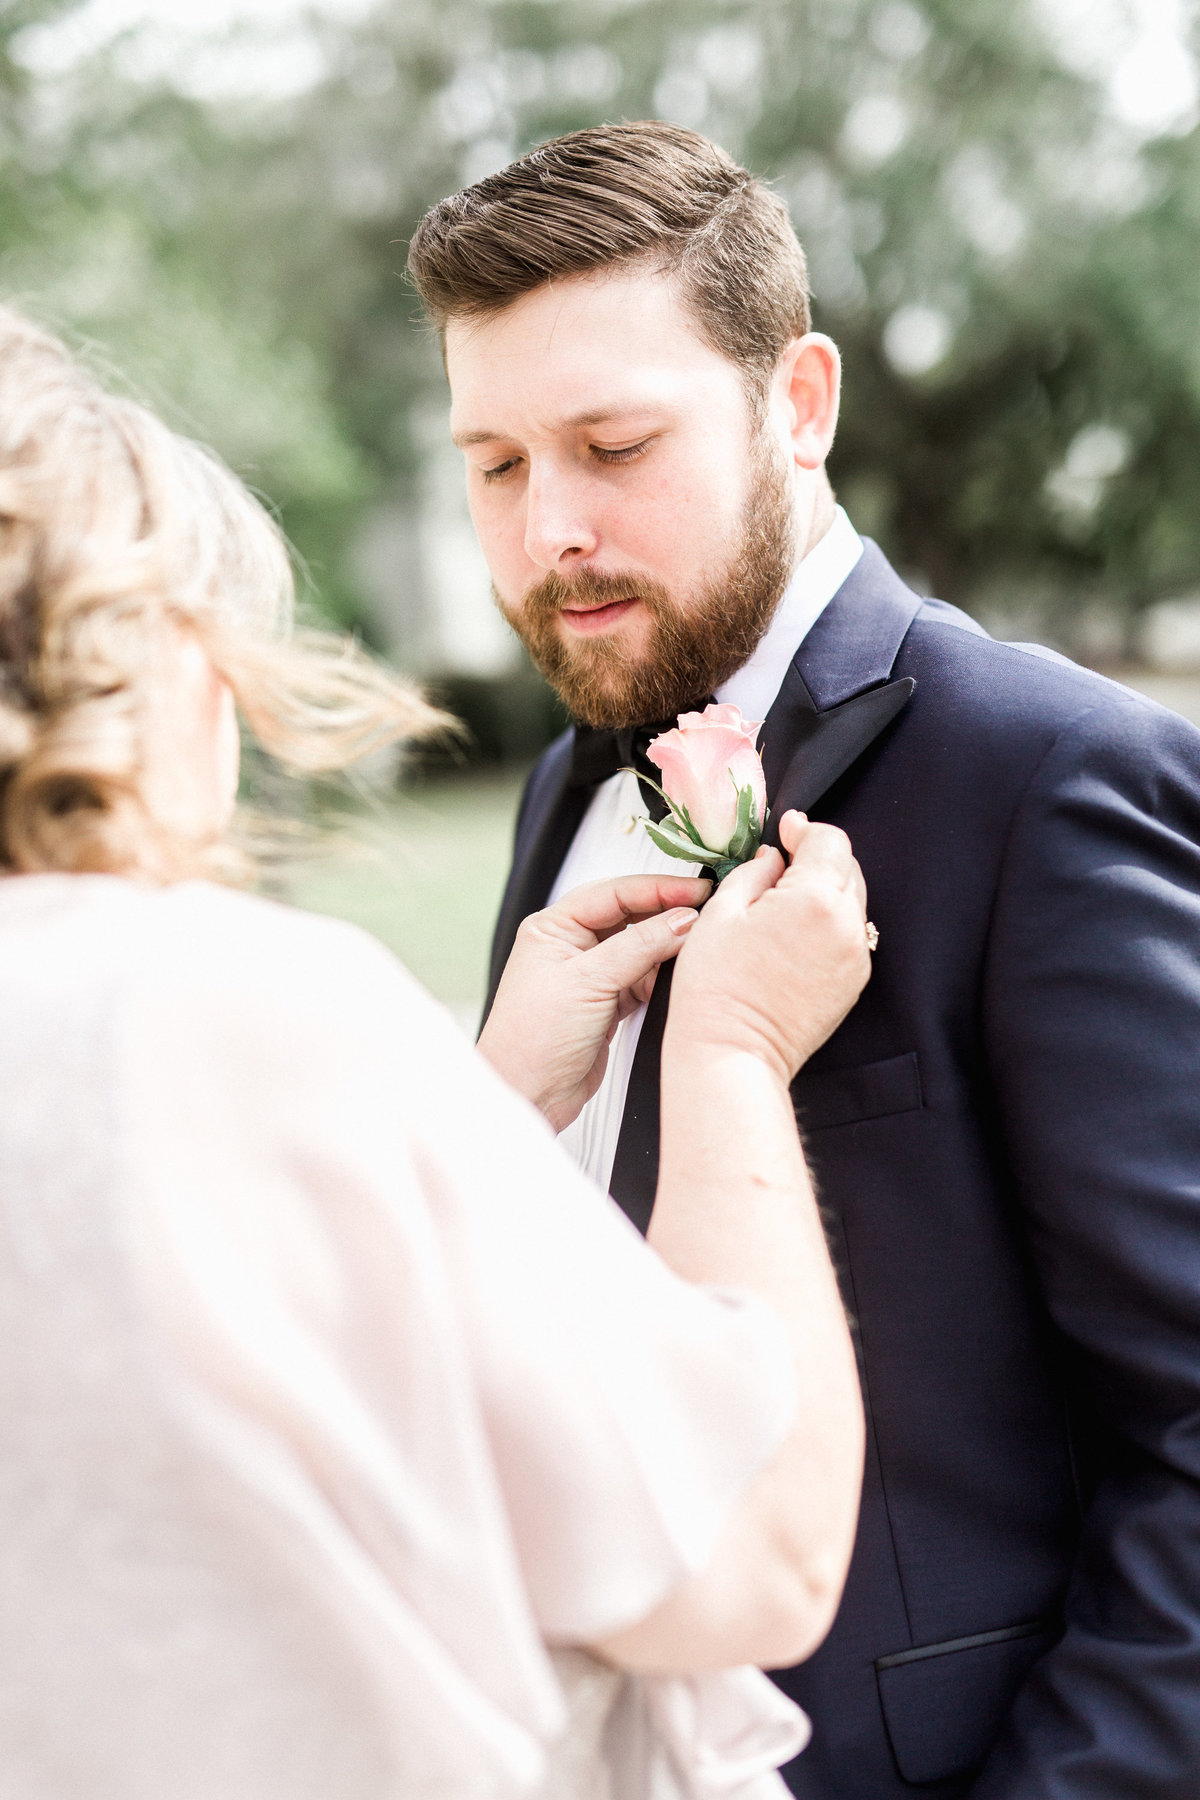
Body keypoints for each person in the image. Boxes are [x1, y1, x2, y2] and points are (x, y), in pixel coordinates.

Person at [407, 121, 1200, 1799]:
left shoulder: (1048, 776)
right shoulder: (570, 782)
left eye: (614, 443)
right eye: (494, 464)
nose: (551, 529)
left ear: (801, 403)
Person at [0, 304, 873, 1800]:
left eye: (616, 447)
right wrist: (725, 1047)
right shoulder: (237, 1008)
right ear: (176, 669)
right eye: (492, 465)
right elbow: (759, 1548)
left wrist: (476, 1114)